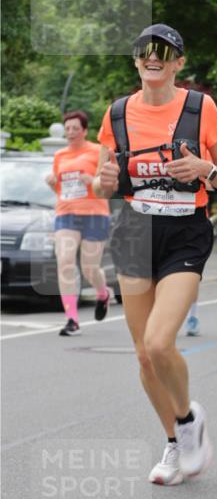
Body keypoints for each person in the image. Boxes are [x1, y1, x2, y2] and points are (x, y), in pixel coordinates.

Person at [93, 24, 217, 486]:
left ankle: (188, 419)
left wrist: (205, 168)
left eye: (165, 51)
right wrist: (105, 184)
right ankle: (176, 442)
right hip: (134, 230)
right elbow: (102, 181)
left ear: (178, 62)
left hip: (184, 233)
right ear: (136, 61)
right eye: (145, 51)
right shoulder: (117, 114)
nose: (153, 57)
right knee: (143, 356)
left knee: (159, 342)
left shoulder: (200, 108)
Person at [45, 110, 112, 336]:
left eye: (75, 128)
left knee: (89, 268)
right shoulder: (60, 156)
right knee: (64, 262)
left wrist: (92, 181)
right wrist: (52, 183)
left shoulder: (97, 151)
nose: (71, 132)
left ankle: (102, 294)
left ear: (84, 130)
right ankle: (71, 320)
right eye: (68, 129)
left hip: (95, 213)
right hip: (66, 213)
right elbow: (60, 189)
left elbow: (107, 184)